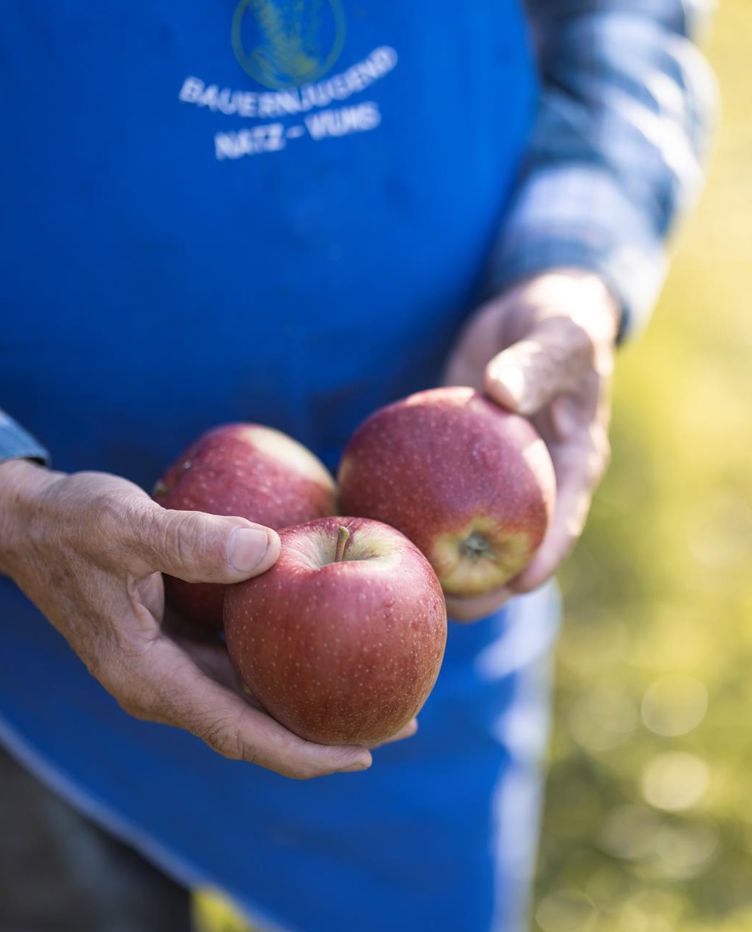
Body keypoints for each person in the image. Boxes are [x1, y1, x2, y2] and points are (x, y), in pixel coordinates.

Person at [0, 1, 716, 929]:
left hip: (441, 588)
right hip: (34, 647)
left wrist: (574, 263)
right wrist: (14, 504)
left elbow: (624, 21)